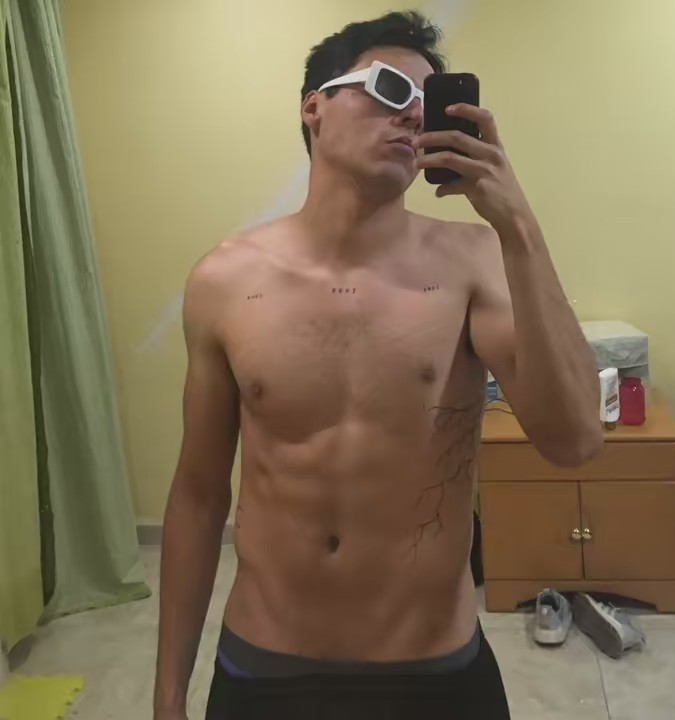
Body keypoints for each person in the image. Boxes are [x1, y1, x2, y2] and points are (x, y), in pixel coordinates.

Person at [153, 11, 603, 720]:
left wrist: (518, 225)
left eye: (428, 103)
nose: (414, 116)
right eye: (392, 88)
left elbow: (575, 440)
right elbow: (199, 494)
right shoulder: (223, 281)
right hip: (266, 663)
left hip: (433, 668)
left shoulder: (474, 261)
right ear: (315, 107)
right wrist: (168, 694)